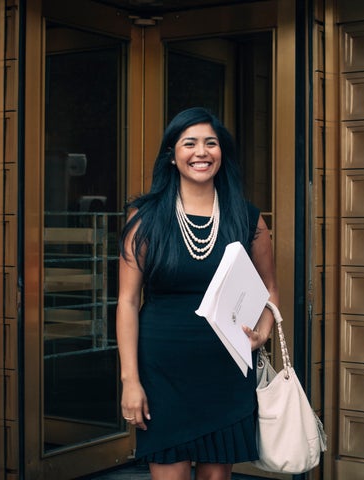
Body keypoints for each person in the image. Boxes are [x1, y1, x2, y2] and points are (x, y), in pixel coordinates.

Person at [117, 107, 279, 480]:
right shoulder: (145, 218)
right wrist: (130, 380)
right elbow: (126, 302)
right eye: (189, 143)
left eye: (211, 143)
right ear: (172, 155)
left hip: (226, 367)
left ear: (222, 154)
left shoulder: (247, 218)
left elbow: (270, 289)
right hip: (162, 370)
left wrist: (264, 331)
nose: (201, 152)